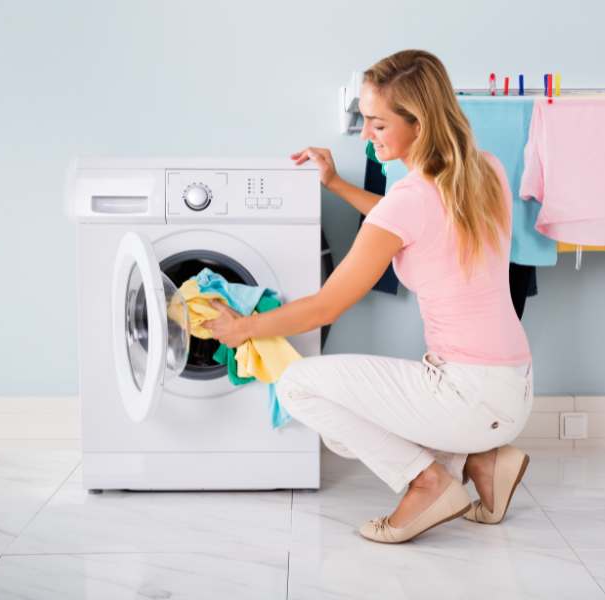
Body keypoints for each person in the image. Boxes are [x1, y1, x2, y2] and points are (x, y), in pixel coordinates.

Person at [203, 49, 533, 544]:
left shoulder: (411, 200)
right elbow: (408, 218)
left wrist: (243, 327)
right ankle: (484, 460)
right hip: (514, 387)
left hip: (467, 393)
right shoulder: (485, 171)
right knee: (374, 405)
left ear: (419, 124)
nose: (365, 135)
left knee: (297, 386)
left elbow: (326, 307)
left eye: (378, 124)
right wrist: (336, 183)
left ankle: (428, 482)